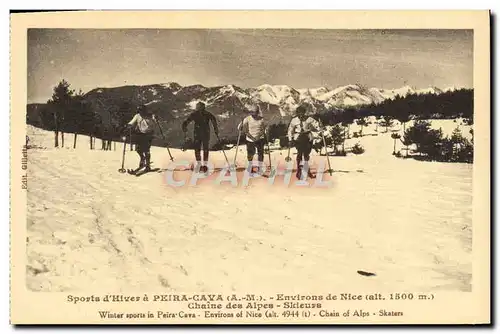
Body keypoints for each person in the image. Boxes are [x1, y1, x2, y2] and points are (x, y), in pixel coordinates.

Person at [182, 102, 219, 172]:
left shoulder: (194, 114)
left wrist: (184, 126)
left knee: (197, 149)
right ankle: (204, 165)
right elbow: (213, 120)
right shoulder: (207, 114)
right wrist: (216, 130)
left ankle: (199, 164)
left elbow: (187, 121)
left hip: (197, 134)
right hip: (206, 134)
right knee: (205, 149)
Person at [287, 104, 319, 179]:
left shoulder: (309, 119)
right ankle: (299, 170)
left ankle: (307, 170)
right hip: (298, 138)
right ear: (297, 113)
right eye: (299, 113)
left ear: (304, 113)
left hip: (308, 137)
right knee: (300, 153)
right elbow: (290, 130)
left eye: (302, 113)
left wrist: (319, 126)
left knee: (306, 155)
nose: (301, 115)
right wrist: (290, 139)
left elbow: (316, 124)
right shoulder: (294, 120)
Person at [237, 105, 268, 173]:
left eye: (255, 112)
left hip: (260, 138)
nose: (254, 114)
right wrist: (241, 127)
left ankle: (260, 168)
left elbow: (264, 129)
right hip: (250, 139)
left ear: (257, 112)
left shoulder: (261, 119)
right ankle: (250, 167)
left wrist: (259, 136)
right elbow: (239, 127)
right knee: (250, 154)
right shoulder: (247, 119)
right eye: (252, 112)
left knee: (260, 154)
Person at [127, 105, 156, 172]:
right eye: (140, 111)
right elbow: (132, 121)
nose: (141, 112)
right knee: (138, 149)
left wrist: (156, 119)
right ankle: (142, 158)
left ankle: (148, 166)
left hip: (148, 134)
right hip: (140, 134)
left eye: (141, 111)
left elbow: (155, 122)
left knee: (146, 150)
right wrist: (129, 125)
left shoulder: (150, 116)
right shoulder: (137, 116)